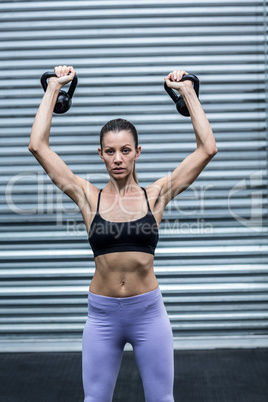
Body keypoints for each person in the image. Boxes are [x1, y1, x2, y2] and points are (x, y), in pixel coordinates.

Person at [28, 65, 218, 402]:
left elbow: (207, 149)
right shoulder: (88, 196)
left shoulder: (155, 194)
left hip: (149, 315)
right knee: (95, 400)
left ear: (138, 152)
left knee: (162, 399)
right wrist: (54, 87)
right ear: (100, 154)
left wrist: (187, 90)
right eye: (111, 151)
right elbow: (38, 146)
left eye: (126, 150)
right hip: (101, 318)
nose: (118, 159)